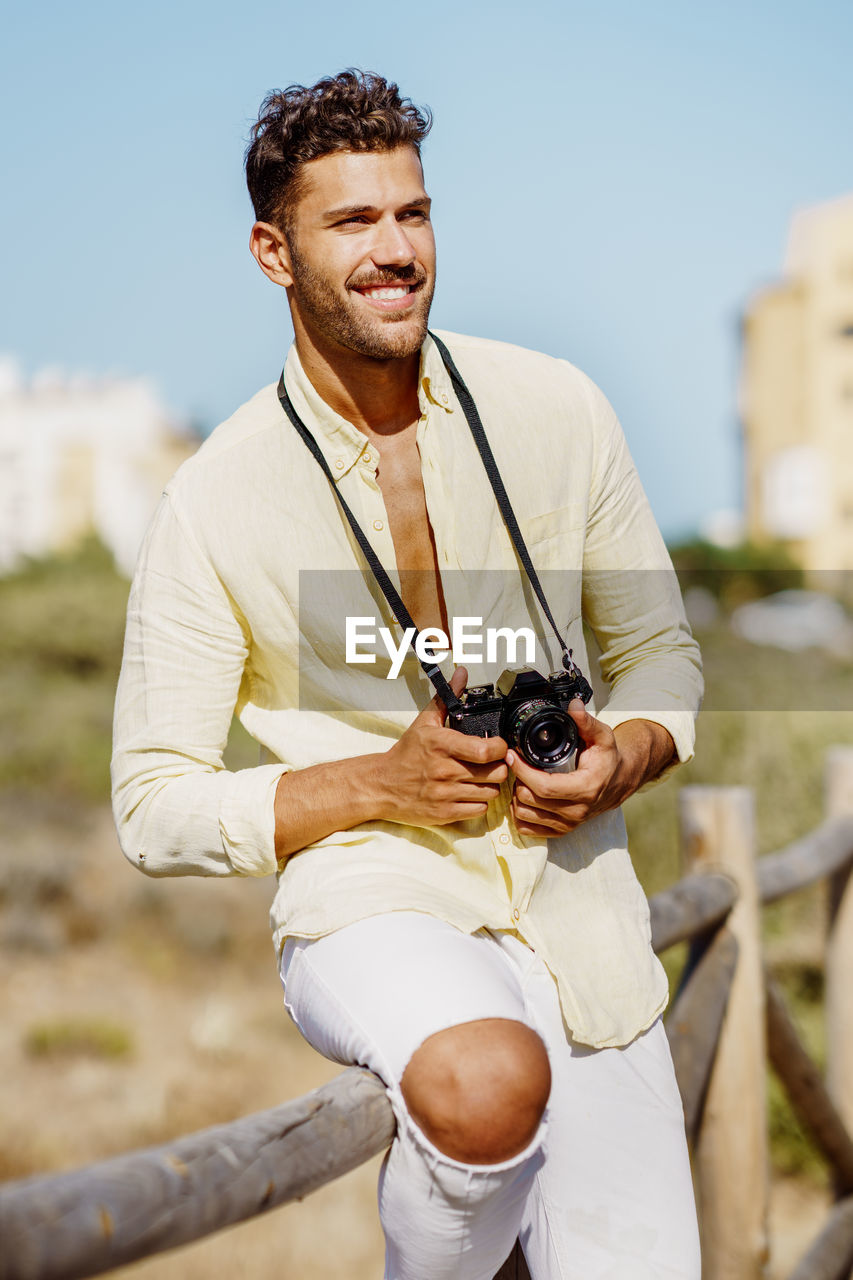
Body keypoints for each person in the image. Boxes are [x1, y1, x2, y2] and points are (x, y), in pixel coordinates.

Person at [111, 70, 703, 1279]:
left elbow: (660, 657)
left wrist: (618, 758)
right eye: (352, 222)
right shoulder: (214, 495)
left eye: (412, 214)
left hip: (582, 916)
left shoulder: (560, 407)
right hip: (373, 900)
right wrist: (377, 781)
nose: (396, 250)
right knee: (485, 1082)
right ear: (275, 252)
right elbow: (152, 799)